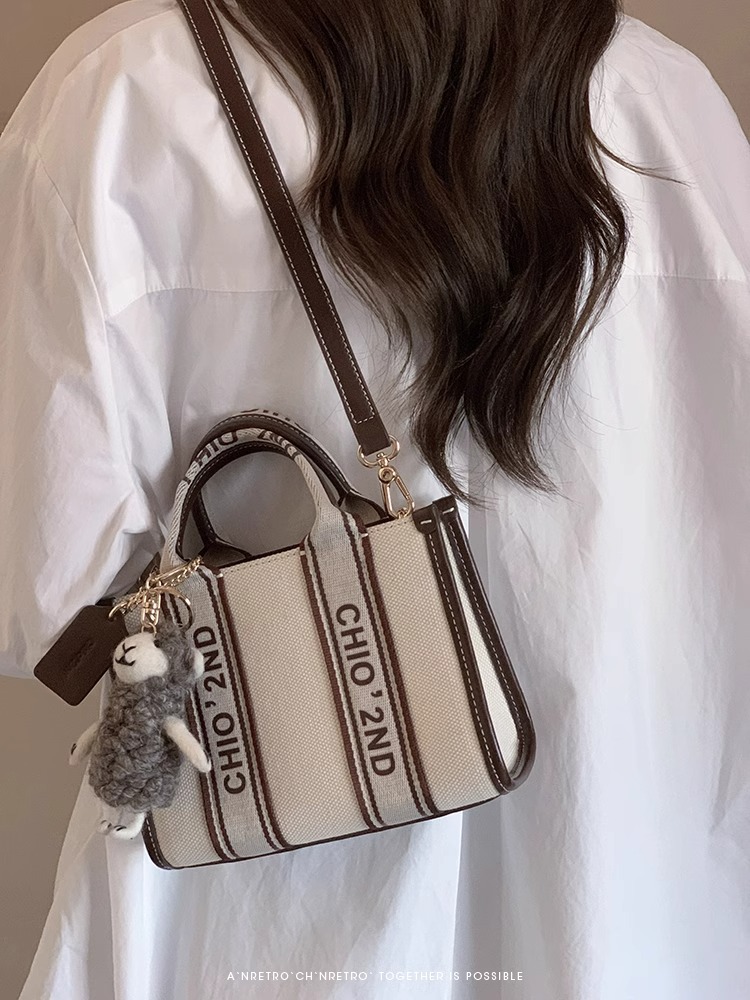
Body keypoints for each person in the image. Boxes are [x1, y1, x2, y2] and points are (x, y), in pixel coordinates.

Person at [1, 0, 748, 997]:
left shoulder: (121, 94)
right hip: (625, 892)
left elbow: (49, 594)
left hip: (248, 912)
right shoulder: (664, 99)